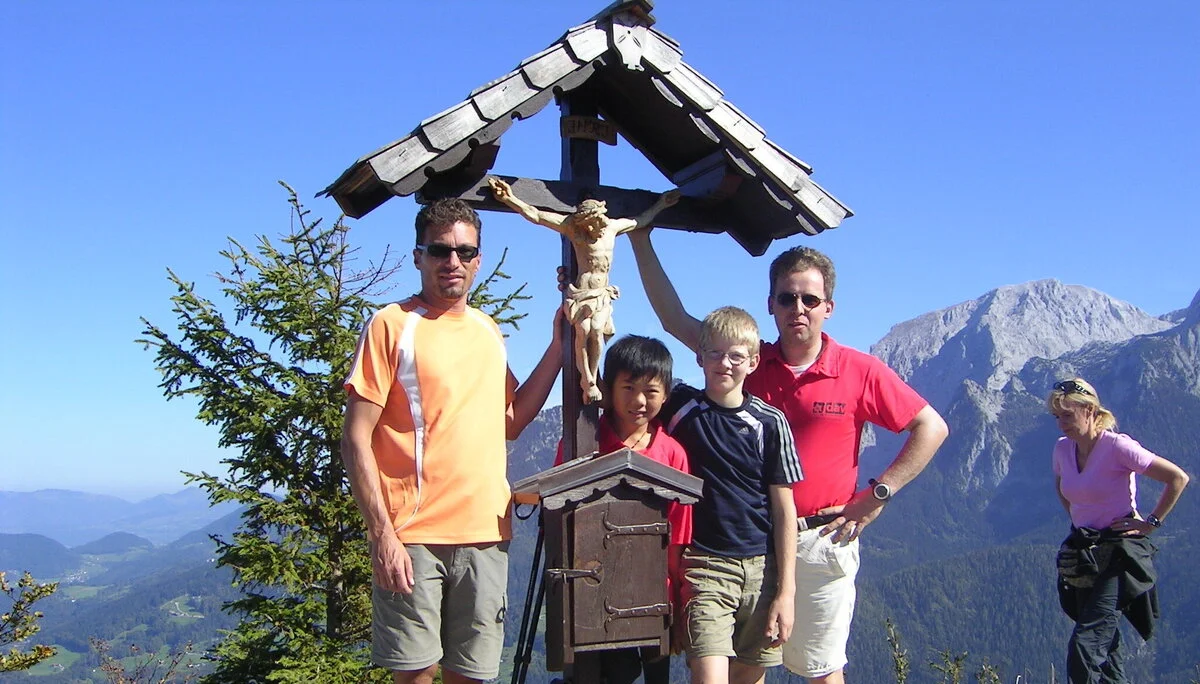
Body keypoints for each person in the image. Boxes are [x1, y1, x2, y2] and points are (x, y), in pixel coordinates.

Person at [629, 234, 949, 684]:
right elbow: (672, 318)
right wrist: (640, 239)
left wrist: (878, 493)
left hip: (822, 539)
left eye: (810, 299)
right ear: (771, 305)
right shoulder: (746, 359)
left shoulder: (859, 370)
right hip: (748, 545)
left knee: (820, 672)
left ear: (828, 307)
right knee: (745, 669)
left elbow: (931, 427)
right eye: (787, 298)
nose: (798, 308)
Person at [340, 198, 562, 684]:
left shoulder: (487, 331)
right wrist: (382, 535)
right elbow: (355, 437)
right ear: (418, 256)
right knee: (414, 676)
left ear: (478, 258)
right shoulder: (391, 326)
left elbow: (512, 419)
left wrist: (559, 346)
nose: (452, 262)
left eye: (465, 251)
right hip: (412, 537)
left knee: (473, 676)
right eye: (440, 250)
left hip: (486, 535)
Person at [656, 306, 800, 684]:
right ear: (699, 357)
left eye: (736, 355)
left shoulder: (770, 422)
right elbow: (630, 401)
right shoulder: (680, 406)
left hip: (762, 570)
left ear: (753, 362)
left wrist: (787, 591)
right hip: (705, 566)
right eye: (715, 353)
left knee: (750, 678)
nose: (725, 363)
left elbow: (785, 509)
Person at [552, 334, 692, 684]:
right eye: (628, 388)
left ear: (666, 393)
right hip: (589, 593)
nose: (639, 401)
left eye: (651, 390)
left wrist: (675, 603)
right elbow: (554, 515)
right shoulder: (583, 443)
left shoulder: (672, 453)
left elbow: (678, 537)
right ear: (608, 388)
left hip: (654, 594)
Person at [488, 176, 679, 404]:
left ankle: (591, 378)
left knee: (597, 332)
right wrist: (510, 198)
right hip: (581, 294)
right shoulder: (574, 229)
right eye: (584, 225)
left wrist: (662, 204)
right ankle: (587, 380)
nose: (588, 229)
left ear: (599, 218)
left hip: (601, 295)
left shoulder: (613, 228)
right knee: (583, 333)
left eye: (591, 224)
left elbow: (640, 220)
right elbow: (537, 215)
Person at [1048, 377, 1189, 684]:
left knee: (1084, 647)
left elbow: (1177, 478)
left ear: (1090, 411)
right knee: (1107, 653)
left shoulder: (1118, 447)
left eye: (1067, 415)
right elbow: (1063, 487)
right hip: (1087, 551)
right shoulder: (1062, 450)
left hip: (1121, 555)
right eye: (1057, 416)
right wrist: (1078, 523)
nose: (1061, 424)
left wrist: (1150, 523)